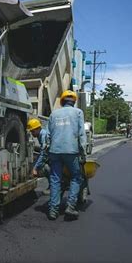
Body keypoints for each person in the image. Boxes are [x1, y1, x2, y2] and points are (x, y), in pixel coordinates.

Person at [47, 90, 86, 220]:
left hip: (55, 151)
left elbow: (48, 135)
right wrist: (83, 152)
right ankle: (70, 206)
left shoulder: (53, 114)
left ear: (62, 101)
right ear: (74, 102)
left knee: (55, 179)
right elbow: (81, 134)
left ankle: (53, 211)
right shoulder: (78, 112)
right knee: (76, 177)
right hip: (71, 151)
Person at [27, 118, 51, 194]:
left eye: (33, 131)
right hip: (50, 154)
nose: (32, 133)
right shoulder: (40, 134)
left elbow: (43, 153)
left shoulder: (44, 135)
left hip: (54, 156)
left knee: (46, 168)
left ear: (38, 128)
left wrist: (35, 168)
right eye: (31, 132)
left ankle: (53, 187)